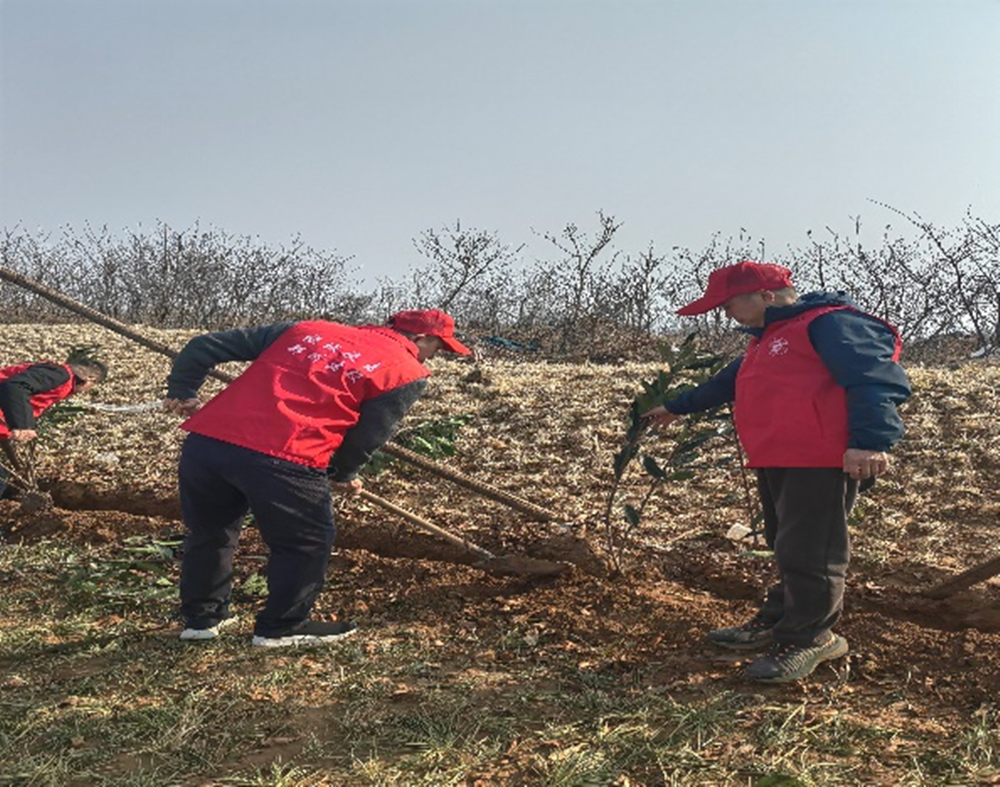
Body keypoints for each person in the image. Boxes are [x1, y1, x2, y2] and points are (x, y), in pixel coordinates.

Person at [643, 261, 911, 683]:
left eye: (728, 305)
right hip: (779, 456)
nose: (726, 315)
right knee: (786, 542)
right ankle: (781, 617)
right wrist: (675, 408)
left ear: (767, 296)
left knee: (812, 550)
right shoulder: (767, 339)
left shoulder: (829, 323)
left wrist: (871, 440)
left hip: (821, 457)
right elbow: (724, 385)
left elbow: (873, 377)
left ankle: (810, 637)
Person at [163, 309, 472, 648]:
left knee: (210, 533)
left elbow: (204, 345)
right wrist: (343, 473)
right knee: (306, 542)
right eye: (438, 348)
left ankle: (202, 620)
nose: (434, 356)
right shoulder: (405, 371)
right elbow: (367, 436)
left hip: (207, 444)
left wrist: (183, 390)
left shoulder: (304, 330)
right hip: (285, 455)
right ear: (421, 338)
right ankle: (282, 626)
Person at [0, 352, 107, 497]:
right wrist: (22, 425)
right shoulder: (60, 375)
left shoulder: (56, 374)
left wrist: (17, 466)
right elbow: (14, 387)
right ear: (90, 379)